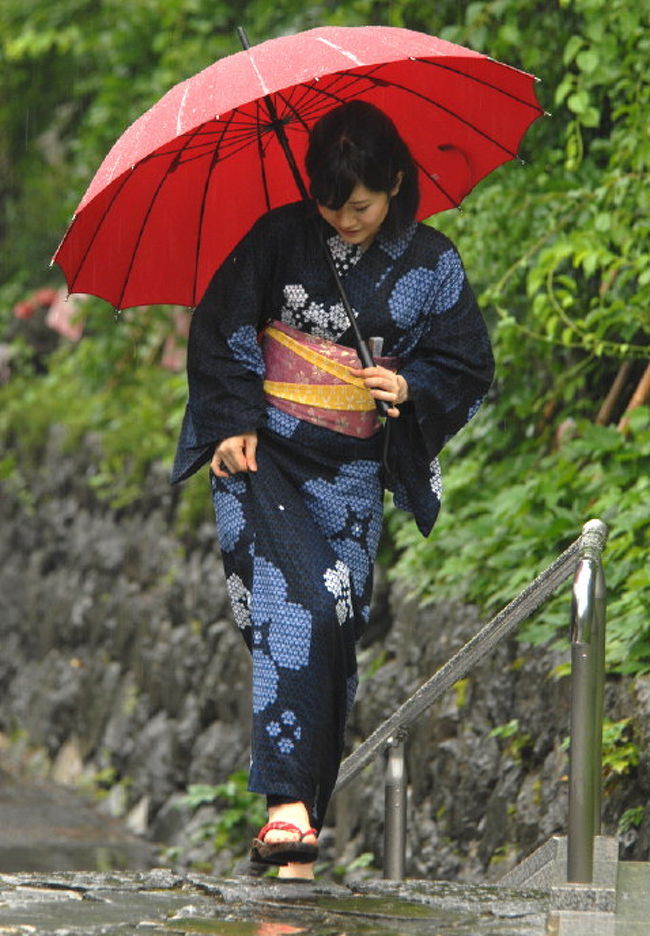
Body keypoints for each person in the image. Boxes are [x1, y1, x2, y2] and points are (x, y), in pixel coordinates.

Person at [171, 100, 494, 879]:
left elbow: (467, 364)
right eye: (329, 205)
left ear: (395, 184)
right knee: (304, 604)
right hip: (264, 459)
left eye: (361, 205)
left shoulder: (433, 264)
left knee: (337, 623)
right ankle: (287, 808)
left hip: (349, 475)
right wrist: (233, 419)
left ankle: (298, 839)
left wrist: (408, 384)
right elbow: (219, 328)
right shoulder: (279, 238)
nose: (344, 221)